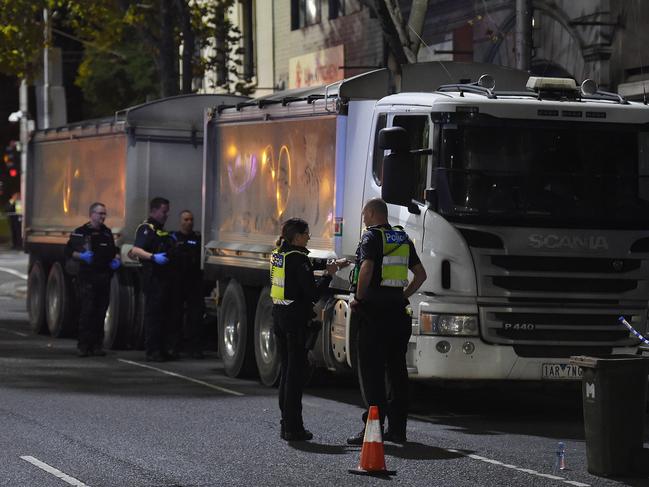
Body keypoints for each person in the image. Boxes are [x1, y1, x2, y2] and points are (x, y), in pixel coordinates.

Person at [346, 198, 427, 445]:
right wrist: (402, 295)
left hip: (374, 314)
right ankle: (398, 430)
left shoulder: (371, 237)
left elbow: (368, 269)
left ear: (371, 213)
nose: (363, 219)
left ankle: (373, 429)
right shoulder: (402, 237)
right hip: (397, 313)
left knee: (371, 373)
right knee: (397, 371)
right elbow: (421, 275)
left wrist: (358, 298)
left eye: (363, 214)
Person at [270, 218, 349, 441]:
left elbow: (302, 268)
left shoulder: (280, 254)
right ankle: (294, 428)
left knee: (286, 372)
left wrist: (331, 265)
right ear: (297, 237)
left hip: (279, 317)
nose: (309, 237)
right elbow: (313, 294)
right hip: (295, 321)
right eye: (306, 233)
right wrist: (328, 275)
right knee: (295, 376)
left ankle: (286, 423)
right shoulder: (298, 259)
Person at [64, 202, 120, 357]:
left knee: (100, 312)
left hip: (104, 276)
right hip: (88, 277)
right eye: (100, 213)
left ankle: (97, 345)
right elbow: (68, 251)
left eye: (104, 214)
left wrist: (115, 259)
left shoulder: (107, 233)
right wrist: (81, 256)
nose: (102, 217)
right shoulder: (81, 232)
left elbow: (113, 250)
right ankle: (83, 345)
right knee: (87, 311)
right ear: (92, 214)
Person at [130, 197, 174, 362]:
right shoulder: (146, 229)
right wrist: (153, 257)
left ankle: (162, 348)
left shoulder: (161, 230)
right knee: (153, 315)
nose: (166, 215)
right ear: (154, 211)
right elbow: (136, 250)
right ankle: (152, 350)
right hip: (152, 277)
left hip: (164, 278)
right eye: (164, 211)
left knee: (164, 315)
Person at [169, 210, 204, 359]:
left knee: (195, 316)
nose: (189, 222)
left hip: (194, 282)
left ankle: (194, 348)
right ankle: (174, 347)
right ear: (180, 221)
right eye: (186, 219)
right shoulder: (174, 238)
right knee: (175, 315)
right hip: (177, 281)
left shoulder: (197, 238)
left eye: (191, 219)